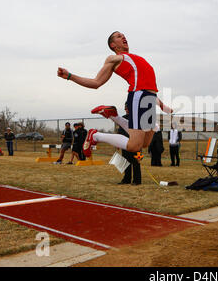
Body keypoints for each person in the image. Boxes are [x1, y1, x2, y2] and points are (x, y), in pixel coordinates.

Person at [57, 31, 172, 161]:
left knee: (144, 144)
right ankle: (95, 136)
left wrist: (162, 105)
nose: (123, 37)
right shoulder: (113, 58)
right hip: (138, 96)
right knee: (134, 146)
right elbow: (96, 83)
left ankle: (114, 116)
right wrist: (70, 76)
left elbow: (149, 86)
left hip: (150, 97)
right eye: (119, 36)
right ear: (113, 45)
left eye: (123, 35)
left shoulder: (136, 57)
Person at [117, 101, 141, 185]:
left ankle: (137, 180)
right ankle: (126, 179)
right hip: (124, 143)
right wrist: (118, 142)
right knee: (126, 161)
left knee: (136, 162)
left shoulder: (137, 118)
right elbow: (120, 131)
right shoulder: (123, 118)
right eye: (125, 108)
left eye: (127, 108)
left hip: (136, 143)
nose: (126, 109)